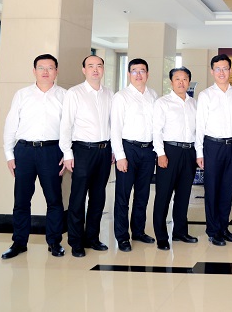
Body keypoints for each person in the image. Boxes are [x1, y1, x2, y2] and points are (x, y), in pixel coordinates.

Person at [1, 54, 67, 259]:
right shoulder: (22, 95)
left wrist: (67, 153)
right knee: (21, 200)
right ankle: (19, 243)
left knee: (54, 200)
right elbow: (11, 125)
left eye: (50, 68)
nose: (45, 72)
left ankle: (54, 242)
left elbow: (70, 128)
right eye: (41, 68)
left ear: (56, 71)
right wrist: (9, 155)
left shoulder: (65, 96)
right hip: (24, 152)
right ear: (34, 71)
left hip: (52, 151)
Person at [60, 55, 113, 258]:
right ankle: (76, 241)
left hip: (104, 151)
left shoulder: (109, 94)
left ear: (103, 69)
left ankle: (92, 238)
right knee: (78, 197)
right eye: (91, 66)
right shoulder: (74, 93)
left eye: (99, 66)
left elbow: (112, 124)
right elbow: (66, 125)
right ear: (84, 70)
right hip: (82, 151)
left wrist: (113, 150)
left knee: (98, 197)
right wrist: (67, 153)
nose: (95, 70)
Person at [110, 58, 158, 252]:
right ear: (129, 74)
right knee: (123, 195)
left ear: (148, 74)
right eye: (135, 71)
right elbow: (115, 128)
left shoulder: (153, 95)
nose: (139, 74)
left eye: (142, 71)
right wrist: (120, 155)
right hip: (128, 149)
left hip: (148, 150)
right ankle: (122, 237)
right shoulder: (121, 97)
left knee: (143, 194)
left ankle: (138, 231)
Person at [195, 54, 232, 246]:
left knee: (227, 189)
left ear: (230, 70)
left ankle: (224, 227)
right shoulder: (205, 95)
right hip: (212, 146)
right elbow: (200, 125)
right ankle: (213, 230)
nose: (222, 72)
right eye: (218, 69)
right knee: (212, 189)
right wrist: (199, 152)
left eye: (225, 68)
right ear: (212, 71)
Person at [152, 67, 198, 251]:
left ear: (189, 82)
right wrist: (160, 153)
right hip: (169, 151)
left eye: (185, 79)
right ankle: (161, 236)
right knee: (163, 195)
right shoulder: (162, 103)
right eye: (177, 79)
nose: (181, 82)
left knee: (184, 195)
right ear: (171, 82)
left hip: (189, 152)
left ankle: (180, 231)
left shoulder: (194, 103)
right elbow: (156, 130)